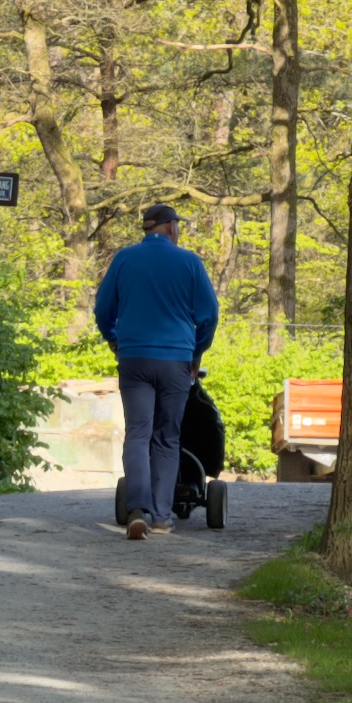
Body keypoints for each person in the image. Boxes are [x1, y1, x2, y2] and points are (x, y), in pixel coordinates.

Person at [94, 203, 219, 540]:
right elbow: (209, 315)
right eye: (176, 225)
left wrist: (114, 339)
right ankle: (162, 518)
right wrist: (196, 352)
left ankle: (137, 511)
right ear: (169, 227)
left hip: (134, 358)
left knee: (138, 433)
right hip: (176, 361)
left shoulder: (124, 259)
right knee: (167, 438)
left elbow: (103, 309)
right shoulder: (190, 262)